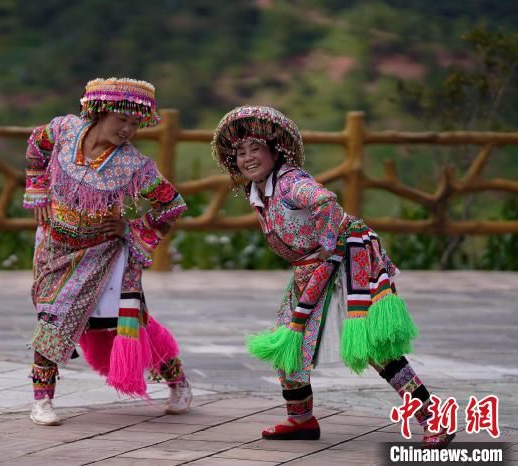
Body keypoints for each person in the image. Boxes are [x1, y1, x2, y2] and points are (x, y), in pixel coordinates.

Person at [210, 106, 454, 448]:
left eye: (255, 149)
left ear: (274, 150)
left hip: (346, 262)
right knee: (287, 342)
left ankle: (434, 417)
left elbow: (325, 201)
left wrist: (327, 246)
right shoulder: (260, 190)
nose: (248, 158)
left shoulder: (291, 181)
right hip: (310, 271)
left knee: (374, 347)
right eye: (240, 153)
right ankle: (301, 419)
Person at [23, 77, 192, 426]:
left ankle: (178, 383)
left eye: (135, 123)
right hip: (54, 248)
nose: (128, 129)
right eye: (122, 119)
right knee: (51, 316)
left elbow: (172, 205)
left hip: (103, 256)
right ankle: (42, 400)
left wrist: (131, 228)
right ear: (100, 111)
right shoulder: (63, 130)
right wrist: (37, 188)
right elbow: (35, 145)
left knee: (127, 324)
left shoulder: (134, 166)